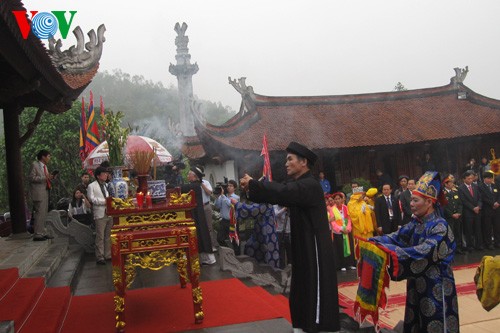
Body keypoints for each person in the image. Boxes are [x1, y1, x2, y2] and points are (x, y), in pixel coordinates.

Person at [240, 141, 340, 333]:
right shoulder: (298, 184)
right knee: (301, 285)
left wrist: (254, 184)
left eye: (290, 159)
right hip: (302, 244)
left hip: (315, 246)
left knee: (314, 285)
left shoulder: (310, 185)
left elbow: (283, 192)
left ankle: (320, 326)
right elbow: (279, 193)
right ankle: (302, 325)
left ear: (303, 163)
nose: (286, 163)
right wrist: (252, 188)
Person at [368, 171, 459, 333]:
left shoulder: (440, 226)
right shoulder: (416, 223)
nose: (411, 204)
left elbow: (423, 252)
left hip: (436, 286)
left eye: (415, 200)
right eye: (411, 200)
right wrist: (373, 243)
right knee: (415, 323)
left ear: (429, 202)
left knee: (435, 323)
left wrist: (390, 251)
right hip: (416, 284)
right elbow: (395, 237)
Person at [187, 166, 217, 265]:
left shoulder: (204, 183)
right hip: (197, 209)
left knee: (208, 228)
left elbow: (210, 193)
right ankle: (204, 255)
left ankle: (212, 246)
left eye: (189, 174)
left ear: (195, 176)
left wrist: (202, 184)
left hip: (206, 206)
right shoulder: (192, 185)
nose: (187, 175)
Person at [28, 149, 56, 241]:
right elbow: (31, 178)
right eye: (48, 156)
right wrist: (45, 177)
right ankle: (37, 234)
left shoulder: (45, 167)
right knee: (39, 213)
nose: (49, 158)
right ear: (43, 156)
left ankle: (42, 231)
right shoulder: (35, 165)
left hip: (45, 191)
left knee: (44, 213)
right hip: (38, 192)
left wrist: (50, 178)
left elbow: (45, 179)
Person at [87, 166, 112, 265]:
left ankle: (108, 254)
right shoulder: (91, 186)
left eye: (106, 173)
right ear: (98, 175)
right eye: (104, 173)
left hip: (108, 213)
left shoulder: (106, 185)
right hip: (99, 213)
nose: (106, 175)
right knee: (100, 236)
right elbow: (91, 199)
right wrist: (104, 202)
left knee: (108, 235)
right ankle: (100, 256)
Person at [329, 192, 356, 271]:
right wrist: (340, 229)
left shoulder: (345, 207)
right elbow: (332, 222)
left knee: (349, 246)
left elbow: (348, 219)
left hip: (346, 231)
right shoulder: (332, 209)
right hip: (338, 232)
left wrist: (348, 228)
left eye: (339, 199)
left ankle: (350, 264)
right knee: (340, 248)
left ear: (342, 199)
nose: (337, 200)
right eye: (336, 199)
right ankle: (342, 265)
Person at [458, 170, 483, 251]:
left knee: (478, 229)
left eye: (471, 178)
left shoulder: (476, 186)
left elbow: (480, 198)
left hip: (477, 211)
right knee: (468, 230)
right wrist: (473, 208)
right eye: (469, 179)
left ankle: (479, 245)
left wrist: (478, 206)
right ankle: (470, 246)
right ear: (464, 179)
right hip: (468, 212)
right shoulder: (460, 188)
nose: (471, 180)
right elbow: (463, 201)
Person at [214, 180, 240, 254]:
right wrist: (217, 197)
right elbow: (217, 206)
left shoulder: (236, 197)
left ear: (234, 188)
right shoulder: (223, 196)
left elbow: (229, 204)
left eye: (231, 186)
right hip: (224, 221)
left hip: (232, 221)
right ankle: (228, 252)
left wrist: (223, 196)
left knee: (235, 240)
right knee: (219, 238)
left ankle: (238, 256)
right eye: (228, 186)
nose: (228, 187)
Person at [347, 186, 376, 253]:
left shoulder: (363, 202)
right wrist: (361, 213)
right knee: (360, 246)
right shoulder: (350, 204)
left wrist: (367, 211)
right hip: (358, 229)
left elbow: (369, 212)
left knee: (369, 245)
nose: (362, 196)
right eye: (361, 195)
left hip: (367, 228)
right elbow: (352, 216)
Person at [443, 176, 465, 254]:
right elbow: (444, 207)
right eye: (450, 183)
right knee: (450, 233)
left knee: (458, 232)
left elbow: (460, 203)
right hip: (449, 217)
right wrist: (452, 214)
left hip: (457, 216)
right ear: (446, 184)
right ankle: (451, 249)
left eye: (452, 182)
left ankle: (458, 248)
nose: (452, 184)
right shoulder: (443, 194)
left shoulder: (455, 191)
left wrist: (459, 213)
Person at [478, 172, 499, 250]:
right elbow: (482, 198)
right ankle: (488, 243)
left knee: (497, 227)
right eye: (488, 178)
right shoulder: (480, 187)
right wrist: (492, 203)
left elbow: (498, 195)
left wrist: (498, 203)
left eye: (491, 178)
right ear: (484, 179)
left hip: (496, 210)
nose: (490, 180)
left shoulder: (495, 186)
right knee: (487, 228)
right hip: (487, 210)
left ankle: (497, 242)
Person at [274, 204, 291, 269]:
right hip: (279, 232)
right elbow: (276, 214)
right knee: (281, 252)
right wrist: (284, 209)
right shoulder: (276, 207)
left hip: (288, 232)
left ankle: (290, 267)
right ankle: (282, 268)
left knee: (290, 251)